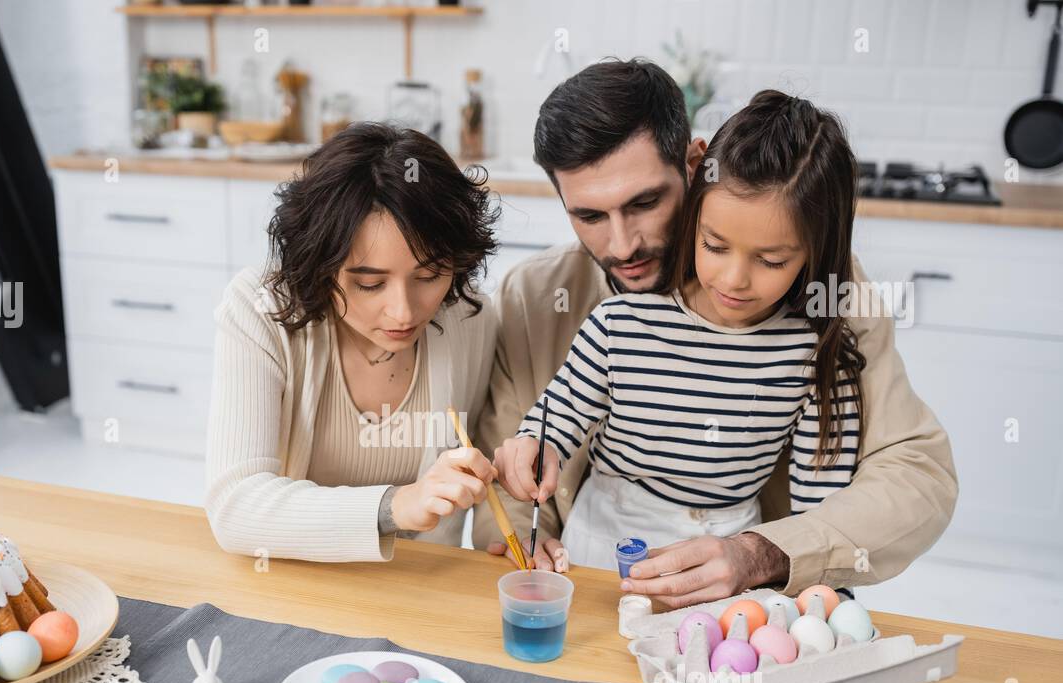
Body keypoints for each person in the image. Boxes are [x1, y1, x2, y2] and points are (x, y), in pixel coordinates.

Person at [475, 59, 957, 607]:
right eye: (589, 215)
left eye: (645, 202)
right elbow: (508, 464)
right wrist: (523, 544)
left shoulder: (826, 297)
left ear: (695, 163)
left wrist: (769, 553)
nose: (624, 244)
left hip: (749, 597)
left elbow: (917, 477)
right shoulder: (533, 298)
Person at [205, 123, 500, 562]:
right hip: (291, 583)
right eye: (369, 284)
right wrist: (396, 506)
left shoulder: (468, 316)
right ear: (320, 266)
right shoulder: (260, 308)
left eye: (429, 276)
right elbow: (236, 507)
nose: (404, 312)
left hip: (420, 590)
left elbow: (489, 467)